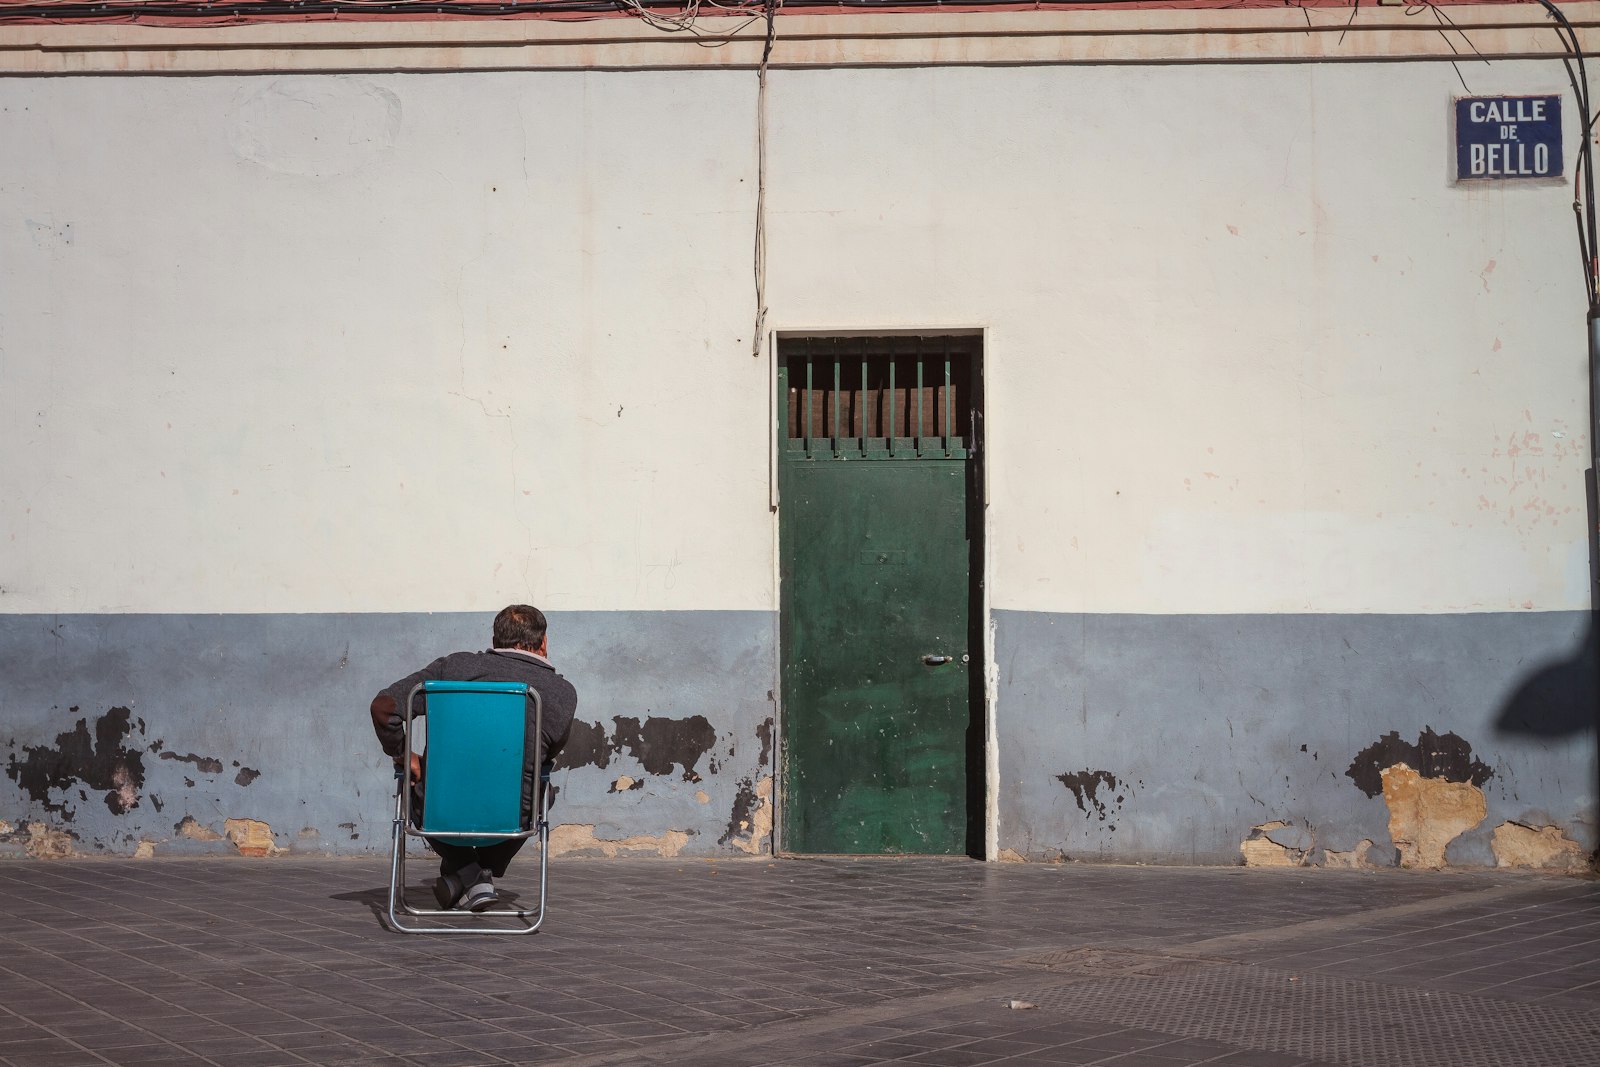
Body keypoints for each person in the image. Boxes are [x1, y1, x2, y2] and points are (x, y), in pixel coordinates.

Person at [370, 604, 577, 912]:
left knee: (416, 781)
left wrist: (402, 754)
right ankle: (479, 875)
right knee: (540, 790)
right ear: (544, 643)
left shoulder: (453, 668)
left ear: (495, 640)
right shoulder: (561, 692)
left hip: (437, 811)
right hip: (514, 816)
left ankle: (466, 874)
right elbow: (546, 756)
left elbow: (383, 707)